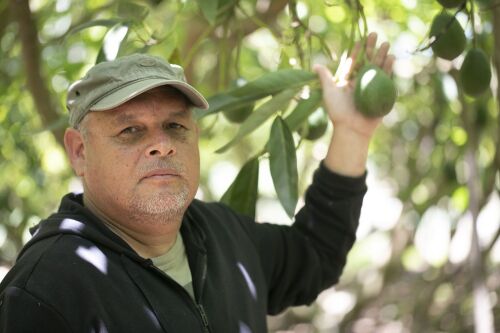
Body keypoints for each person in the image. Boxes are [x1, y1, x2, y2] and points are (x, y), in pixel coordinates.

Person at [0, 33, 394, 332]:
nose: (162, 145)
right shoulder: (47, 290)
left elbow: (316, 256)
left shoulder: (222, 234)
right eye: (131, 131)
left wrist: (352, 134)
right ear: (80, 152)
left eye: (175, 126)